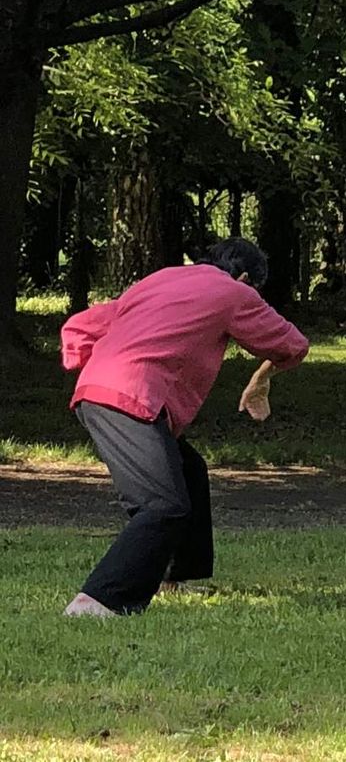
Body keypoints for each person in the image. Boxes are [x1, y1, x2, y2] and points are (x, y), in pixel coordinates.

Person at [60, 238, 309, 617]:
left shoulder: (160, 279)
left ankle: (175, 575)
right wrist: (262, 378)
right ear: (244, 277)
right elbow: (291, 344)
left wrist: (98, 370)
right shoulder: (233, 292)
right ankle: (98, 600)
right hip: (129, 398)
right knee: (163, 506)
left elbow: (79, 328)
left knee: (189, 471)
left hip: (104, 391)